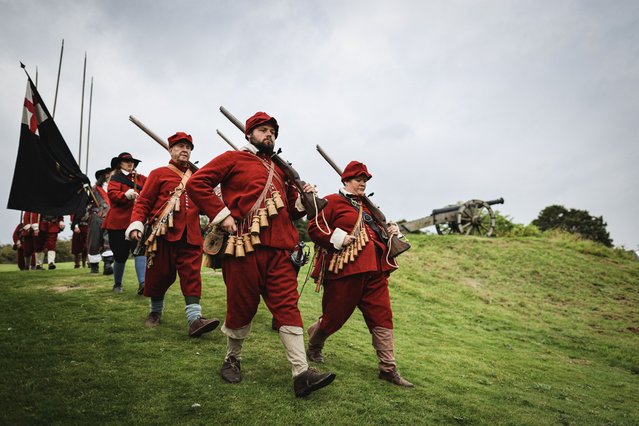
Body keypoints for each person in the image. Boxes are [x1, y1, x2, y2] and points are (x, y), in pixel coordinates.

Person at [187, 111, 335, 397]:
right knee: (241, 307)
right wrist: (221, 215)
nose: (269, 135)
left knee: (288, 308)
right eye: (263, 130)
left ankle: (301, 373)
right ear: (249, 134)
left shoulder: (281, 170)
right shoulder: (233, 158)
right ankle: (232, 359)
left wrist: (304, 198)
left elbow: (291, 211)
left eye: (273, 131)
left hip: (281, 250)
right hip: (244, 247)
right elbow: (197, 183)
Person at [306, 160, 413, 387]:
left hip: (375, 272)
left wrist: (391, 231)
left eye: (365, 180)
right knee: (334, 318)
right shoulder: (333, 201)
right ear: (346, 181)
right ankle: (315, 344)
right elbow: (315, 228)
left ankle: (388, 368)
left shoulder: (371, 209)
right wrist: (338, 238)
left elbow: (379, 234)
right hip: (345, 271)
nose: (362, 183)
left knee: (382, 317)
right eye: (358, 179)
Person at [126, 132, 220, 337]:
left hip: (192, 236)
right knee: (159, 276)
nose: (184, 150)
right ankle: (155, 312)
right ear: (170, 150)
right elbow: (143, 202)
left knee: (192, 277)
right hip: (163, 235)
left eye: (188, 147)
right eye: (179, 146)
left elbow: (205, 205)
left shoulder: (198, 178)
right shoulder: (158, 174)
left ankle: (195, 320)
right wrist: (136, 224)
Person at [102, 153, 147, 293]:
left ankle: (143, 284)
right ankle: (117, 284)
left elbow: (152, 186)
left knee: (140, 251)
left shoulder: (141, 179)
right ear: (120, 164)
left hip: (136, 221)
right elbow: (112, 194)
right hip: (118, 223)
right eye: (126, 161)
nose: (130, 163)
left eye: (131, 161)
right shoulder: (115, 179)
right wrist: (125, 195)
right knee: (120, 255)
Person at [87, 168, 114, 274]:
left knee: (109, 240)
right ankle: (94, 266)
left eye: (110, 174)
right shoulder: (94, 189)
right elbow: (87, 203)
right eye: (107, 174)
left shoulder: (115, 187)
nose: (109, 176)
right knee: (94, 241)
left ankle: (107, 264)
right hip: (97, 217)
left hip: (111, 217)